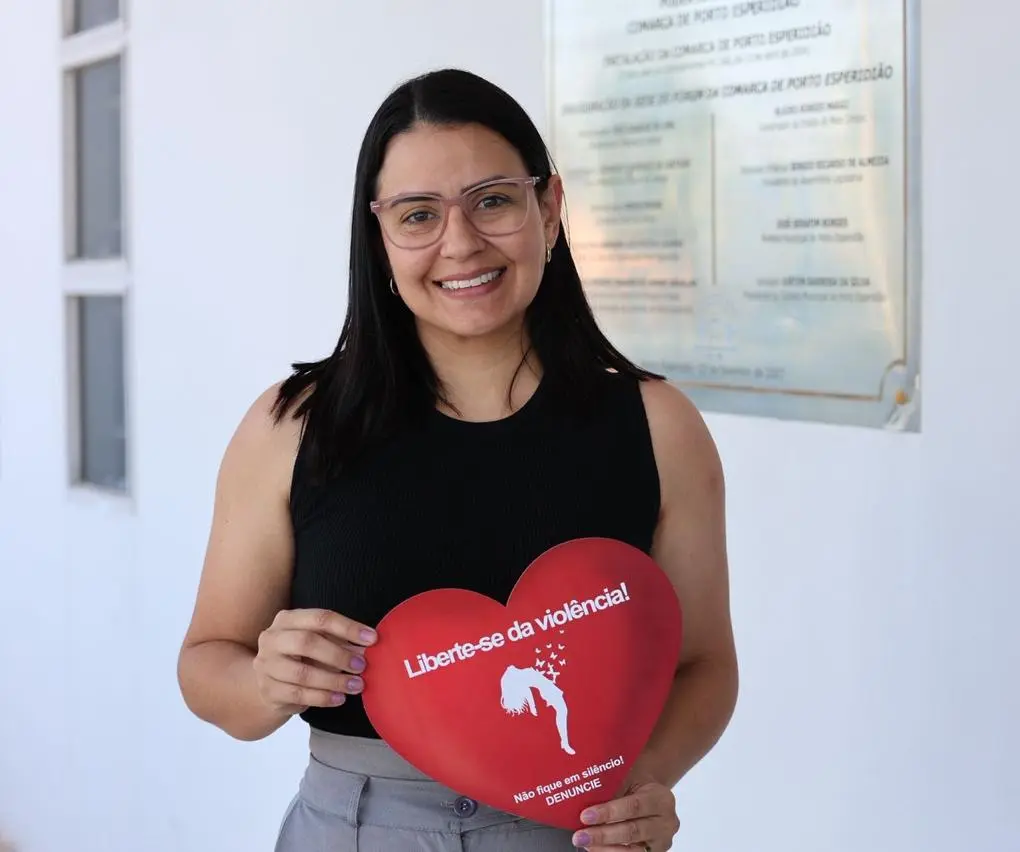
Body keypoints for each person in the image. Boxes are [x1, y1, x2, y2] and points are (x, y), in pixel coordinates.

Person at [175, 67, 738, 852]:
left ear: (549, 208)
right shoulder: (292, 426)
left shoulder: (657, 425)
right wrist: (264, 682)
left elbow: (705, 663)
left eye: (494, 201)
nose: (462, 243)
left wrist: (644, 780)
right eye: (417, 215)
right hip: (356, 826)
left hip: (571, 828)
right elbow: (207, 664)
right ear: (378, 238)